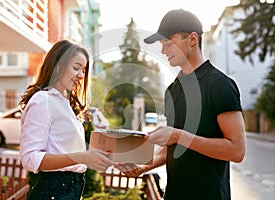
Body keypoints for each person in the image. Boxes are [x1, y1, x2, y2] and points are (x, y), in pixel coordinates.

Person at [115, 9, 246, 200]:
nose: (163, 50)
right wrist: (145, 167)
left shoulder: (220, 85)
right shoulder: (172, 90)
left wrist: (178, 135)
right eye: (161, 44)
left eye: (168, 43)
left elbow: (237, 151)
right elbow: (173, 146)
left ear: (192, 39)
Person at [19, 40, 113, 200]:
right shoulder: (43, 100)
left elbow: (63, 150)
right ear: (58, 66)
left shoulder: (65, 103)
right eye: (76, 68)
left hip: (71, 188)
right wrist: (82, 157)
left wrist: (96, 155)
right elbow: (30, 158)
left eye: (83, 70)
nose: (81, 75)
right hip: (54, 191)